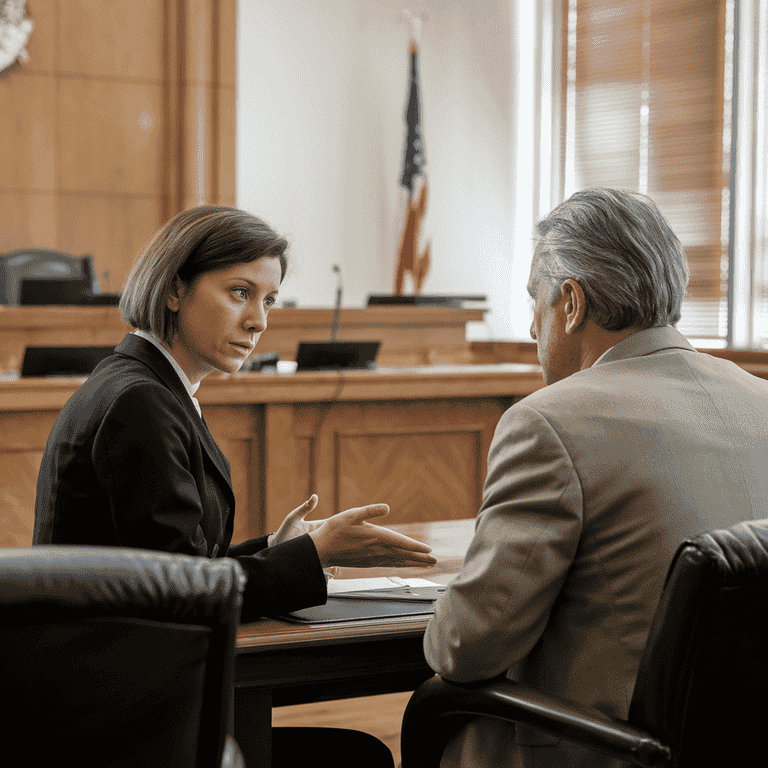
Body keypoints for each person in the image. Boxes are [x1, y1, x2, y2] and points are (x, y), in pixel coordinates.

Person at [33, 204, 436, 768]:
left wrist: (279, 550)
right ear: (174, 290)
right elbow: (186, 593)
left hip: (127, 690)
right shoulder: (139, 403)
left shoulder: (147, 387)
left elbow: (176, 563)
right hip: (119, 721)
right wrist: (310, 556)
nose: (259, 321)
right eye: (239, 292)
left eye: (268, 300)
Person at [422, 188, 768, 768]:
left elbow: (464, 648)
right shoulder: (761, 399)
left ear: (572, 303)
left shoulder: (548, 422)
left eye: (536, 300)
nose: (533, 326)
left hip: (601, 752)